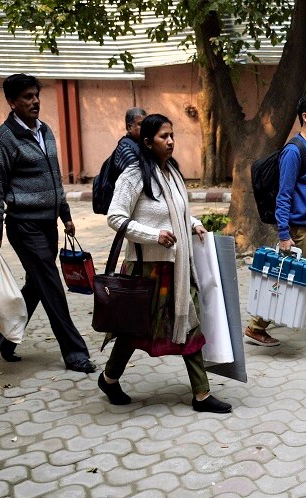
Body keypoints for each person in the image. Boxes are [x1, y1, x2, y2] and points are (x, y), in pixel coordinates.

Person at [99, 113, 231, 414]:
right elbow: (115, 218)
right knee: (134, 331)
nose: (170, 141)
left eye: (172, 135)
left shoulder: (171, 171)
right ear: (147, 142)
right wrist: (153, 235)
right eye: (163, 137)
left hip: (178, 268)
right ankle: (109, 378)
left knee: (188, 324)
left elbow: (177, 211)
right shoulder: (133, 176)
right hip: (146, 270)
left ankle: (201, 394)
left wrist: (194, 222)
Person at [0, 73, 94, 373]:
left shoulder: (45, 131)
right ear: (11, 102)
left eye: (36, 95)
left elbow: (55, 178)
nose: (35, 102)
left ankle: (4, 337)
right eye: (27, 97)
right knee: (51, 285)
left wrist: (66, 214)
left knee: (37, 284)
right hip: (23, 226)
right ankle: (74, 352)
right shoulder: (3, 140)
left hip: (48, 224)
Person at [245, 95, 306, 348]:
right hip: (298, 231)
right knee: (283, 281)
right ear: (305, 117)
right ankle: (256, 327)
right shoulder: (294, 151)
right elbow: (284, 195)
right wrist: (283, 234)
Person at [114, 107, 147, 173]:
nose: (145, 128)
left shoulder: (140, 144)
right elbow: (136, 177)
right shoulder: (125, 148)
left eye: (146, 124)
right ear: (129, 127)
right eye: (140, 124)